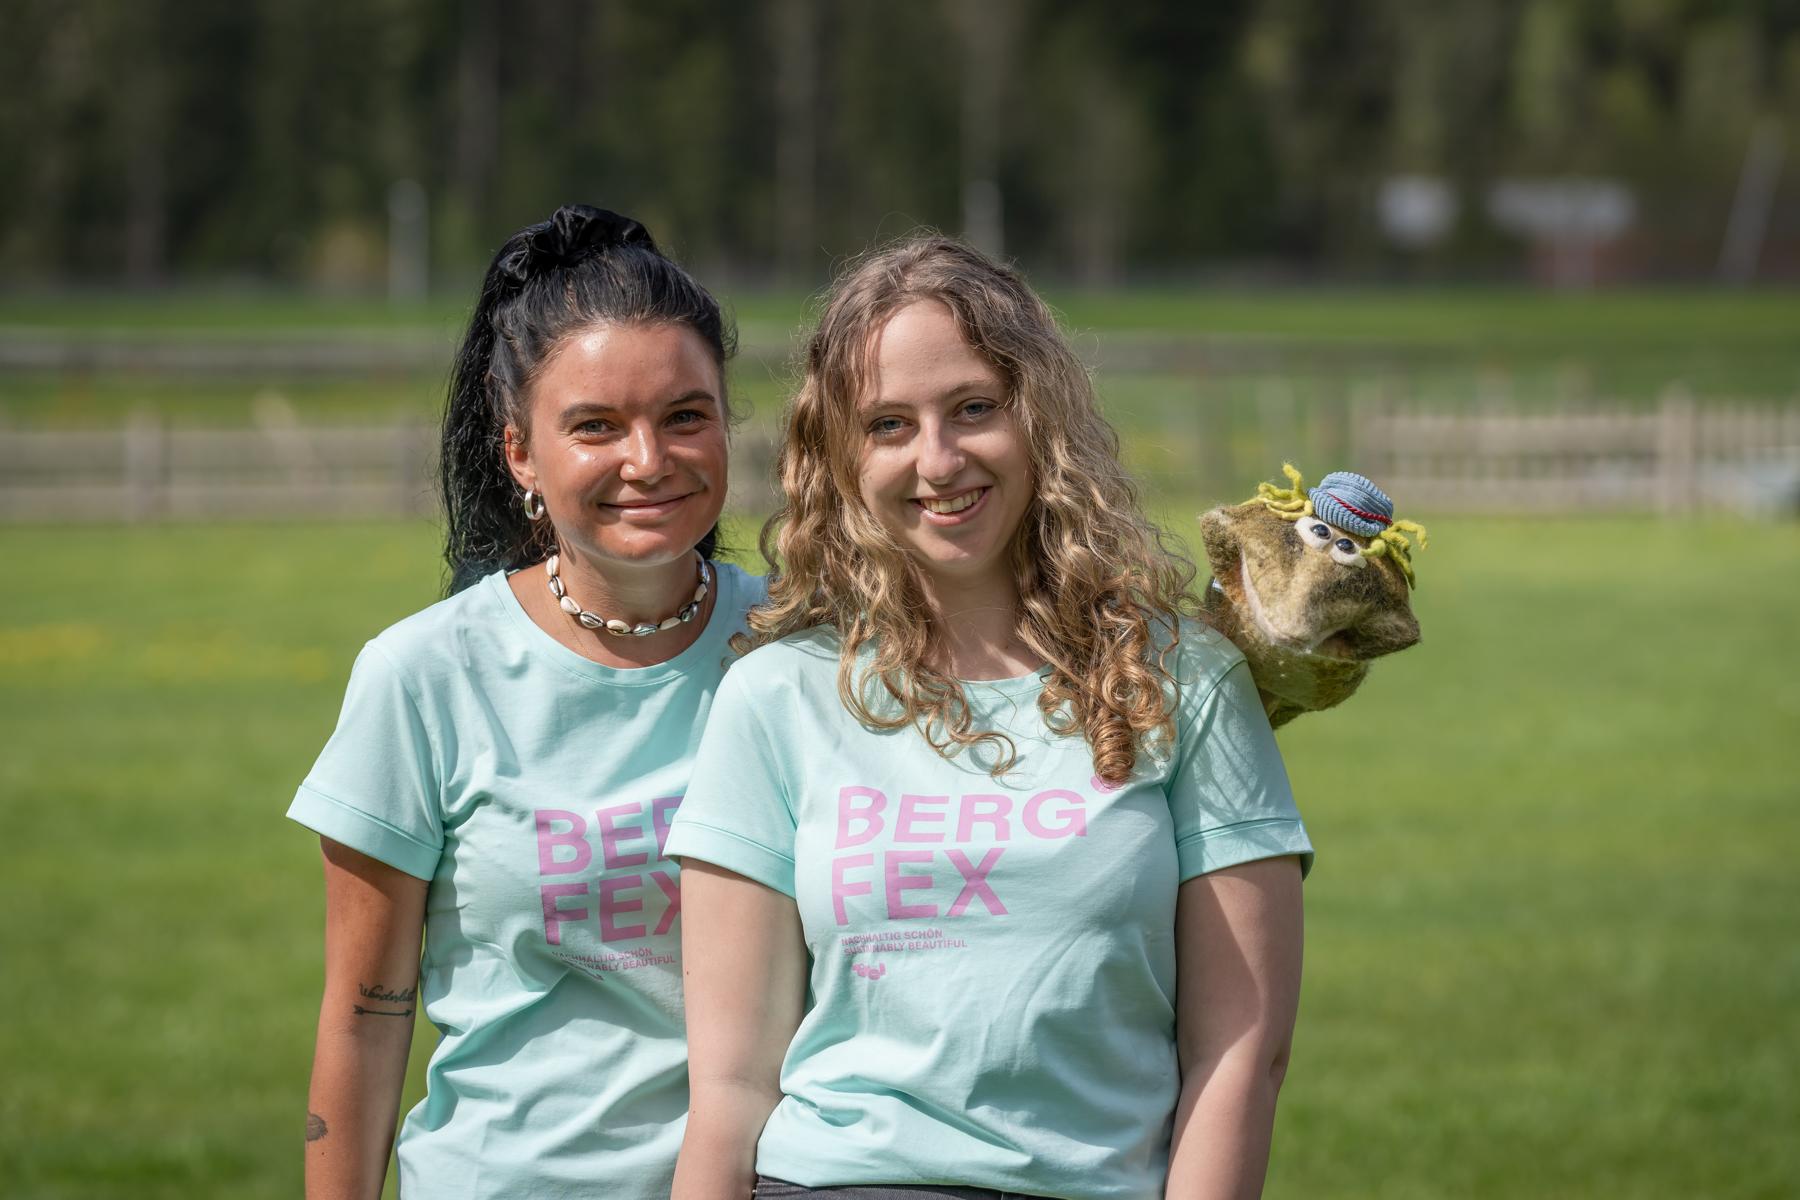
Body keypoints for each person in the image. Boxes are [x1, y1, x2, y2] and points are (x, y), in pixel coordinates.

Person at [667, 235, 1313, 1200]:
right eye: (888, 424)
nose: (938, 459)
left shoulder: (1186, 680)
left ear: (1038, 418)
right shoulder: (775, 696)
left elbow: (1240, 1055)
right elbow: (728, 1089)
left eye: (973, 408)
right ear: (841, 456)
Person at [288, 204, 764, 1199]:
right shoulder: (422, 676)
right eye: (596, 426)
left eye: (686, 414)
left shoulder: (805, 648)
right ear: (519, 456)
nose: (649, 459)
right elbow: (366, 1016)